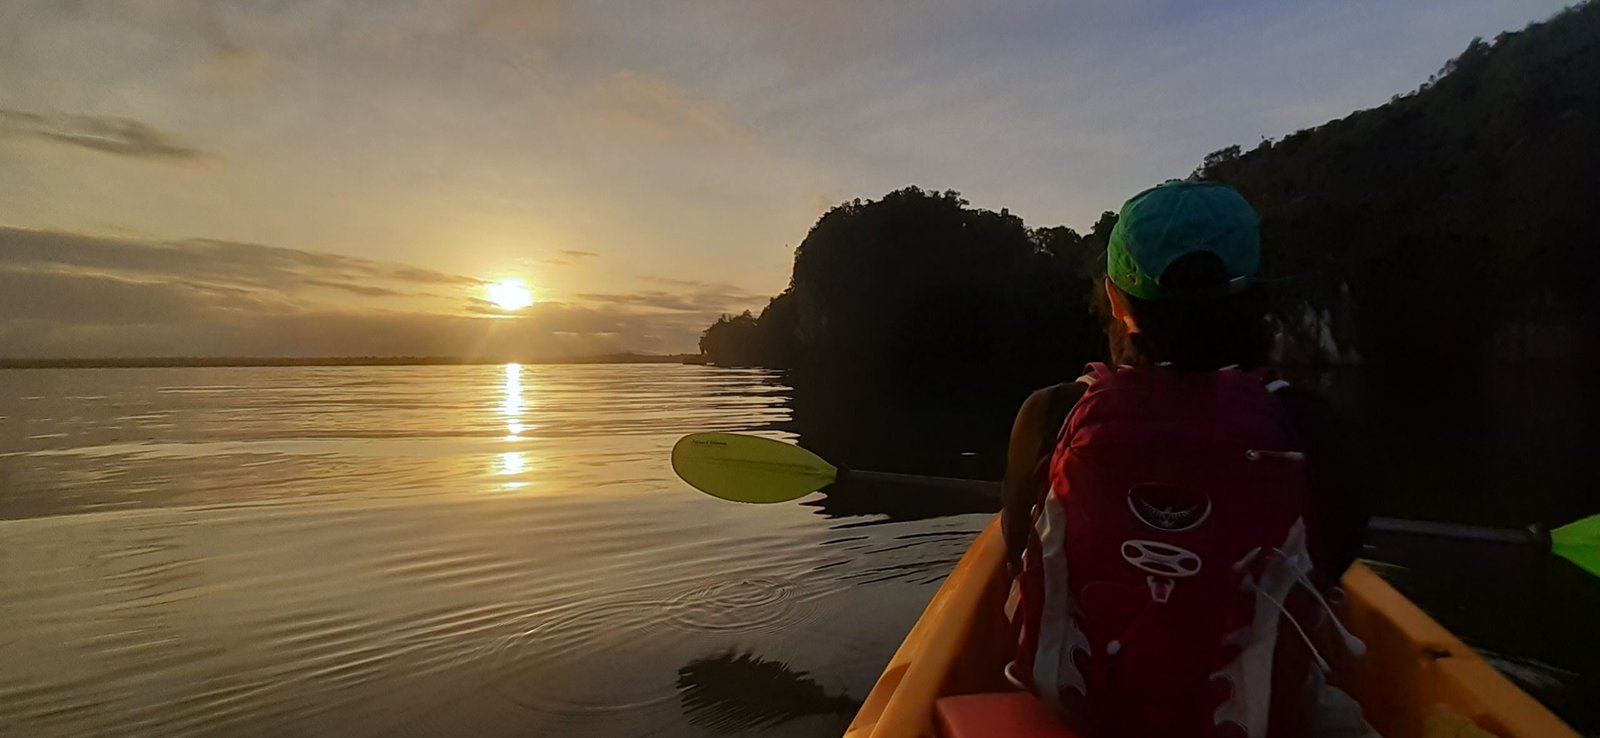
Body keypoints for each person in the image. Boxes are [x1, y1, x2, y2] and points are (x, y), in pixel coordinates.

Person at [1001, 181, 1371, 738]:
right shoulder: (1312, 428)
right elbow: (1330, 564)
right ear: (1252, 296)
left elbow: (1016, 552)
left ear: (1117, 301)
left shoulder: (1049, 414)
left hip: (1079, 715)